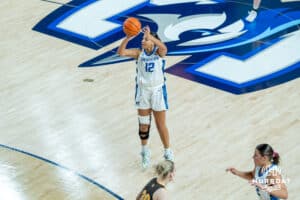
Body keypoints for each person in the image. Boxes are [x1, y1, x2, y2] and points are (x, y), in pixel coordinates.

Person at [117, 25, 174, 169]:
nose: (143, 41)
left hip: (158, 92)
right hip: (143, 92)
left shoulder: (159, 53)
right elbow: (121, 52)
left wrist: (151, 37)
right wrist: (128, 37)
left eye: (146, 39)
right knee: (143, 125)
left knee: (160, 125)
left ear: (153, 42)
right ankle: (145, 152)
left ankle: (168, 152)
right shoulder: (138, 53)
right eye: (143, 39)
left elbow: (164, 47)